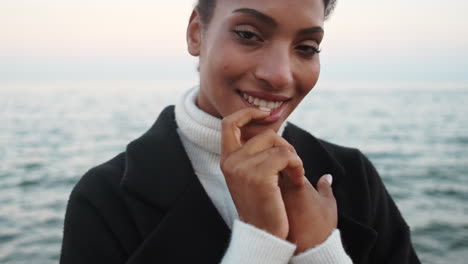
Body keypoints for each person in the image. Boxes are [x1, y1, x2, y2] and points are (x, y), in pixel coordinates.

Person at [60, 0, 421, 263]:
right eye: (249, 34)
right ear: (196, 33)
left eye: (306, 47)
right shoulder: (104, 197)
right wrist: (259, 242)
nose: (280, 74)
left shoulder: (354, 176)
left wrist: (321, 251)